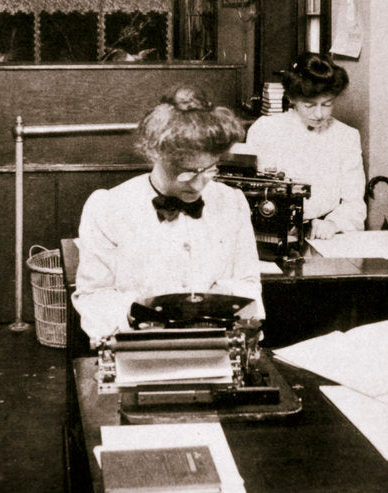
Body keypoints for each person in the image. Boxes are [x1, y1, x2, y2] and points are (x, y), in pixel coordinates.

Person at [72, 84, 264, 344]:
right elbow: (95, 295)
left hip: (216, 343)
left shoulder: (233, 202)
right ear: (155, 153)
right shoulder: (108, 207)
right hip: (139, 345)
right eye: (186, 172)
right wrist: (139, 320)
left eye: (208, 170)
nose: (198, 185)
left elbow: (247, 281)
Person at [246, 52, 366, 239]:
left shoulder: (346, 136)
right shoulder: (265, 129)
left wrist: (333, 223)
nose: (319, 114)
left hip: (323, 234)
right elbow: (250, 191)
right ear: (292, 99)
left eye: (327, 104)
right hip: (270, 230)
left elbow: (354, 202)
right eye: (309, 105)